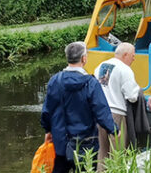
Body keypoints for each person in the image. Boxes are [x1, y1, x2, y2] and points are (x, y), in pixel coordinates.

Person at [41, 42, 116, 173]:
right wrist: (113, 129)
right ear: (84, 59)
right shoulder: (91, 83)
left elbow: (47, 110)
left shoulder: (55, 80)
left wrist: (48, 130)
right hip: (86, 142)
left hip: (60, 141)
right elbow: (101, 110)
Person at [92, 43, 141, 172]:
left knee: (102, 153)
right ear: (125, 55)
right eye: (133, 56)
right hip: (116, 115)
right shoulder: (125, 70)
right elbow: (132, 96)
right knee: (117, 154)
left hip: (99, 114)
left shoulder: (100, 66)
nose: (134, 59)